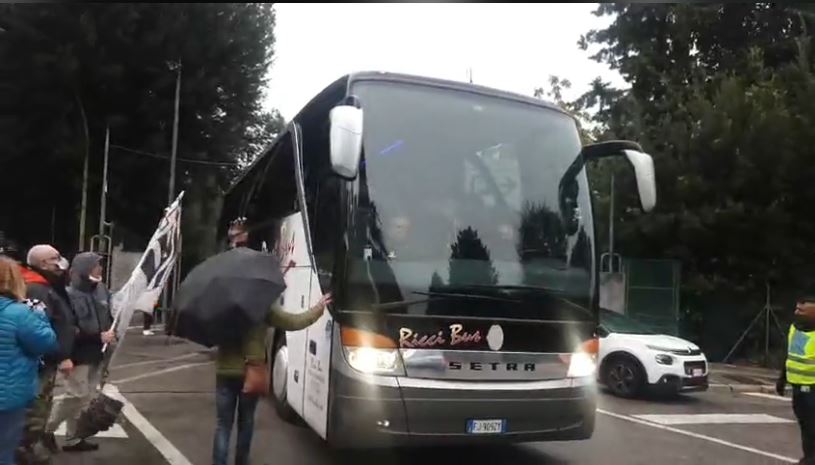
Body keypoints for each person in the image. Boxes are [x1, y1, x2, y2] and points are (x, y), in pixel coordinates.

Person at [45, 252, 114, 452]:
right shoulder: (67, 295)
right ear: (84, 269)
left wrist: (110, 333)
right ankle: (46, 429)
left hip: (97, 353)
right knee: (75, 395)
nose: (100, 269)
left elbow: (107, 316)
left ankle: (73, 438)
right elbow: (68, 328)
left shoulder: (101, 290)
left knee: (87, 397)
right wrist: (96, 337)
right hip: (78, 354)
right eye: (96, 265)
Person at [17, 245, 76, 465]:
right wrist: (61, 355)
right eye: (55, 258)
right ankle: (24, 450)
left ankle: (27, 447)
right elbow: (36, 329)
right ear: (42, 264)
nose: (61, 262)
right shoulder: (36, 288)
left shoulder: (46, 285)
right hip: (39, 363)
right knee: (35, 408)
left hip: (43, 361)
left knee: (40, 406)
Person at [0, 258, 58, 465]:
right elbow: (46, 343)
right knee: (4, 450)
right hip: (8, 396)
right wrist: (39, 315)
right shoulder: (21, 313)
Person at [777, 296, 815, 465]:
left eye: (801, 310)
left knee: (812, 428)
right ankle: (808, 457)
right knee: (805, 426)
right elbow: (789, 356)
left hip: (813, 389)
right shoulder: (795, 328)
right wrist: (782, 378)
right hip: (797, 386)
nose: (796, 313)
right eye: (796, 309)